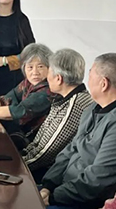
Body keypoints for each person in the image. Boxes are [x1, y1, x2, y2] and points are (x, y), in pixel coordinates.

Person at [40, 53, 116, 209]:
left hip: (85, 205)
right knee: (17, 193)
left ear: (103, 84)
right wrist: (48, 186)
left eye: (90, 74)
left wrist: (53, 197)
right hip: (63, 191)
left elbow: (98, 181)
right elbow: (70, 149)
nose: (86, 80)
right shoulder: (94, 108)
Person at [22, 48, 94, 182]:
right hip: (42, 168)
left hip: (52, 176)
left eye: (49, 72)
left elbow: (46, 154)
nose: (47, 78)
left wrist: (16, 167)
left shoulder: (76, 104)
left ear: (58, 78)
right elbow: (39, 141)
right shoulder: (65, 98)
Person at [0, 43, 54, 148]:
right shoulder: (28, 82)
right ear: (24, 68)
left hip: (35, 144)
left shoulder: (47, 90)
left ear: (49, 68)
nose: (35, 72)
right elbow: (7, 98)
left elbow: (17, 111)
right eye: (30, 67)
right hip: (22, 135)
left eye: (40, 67)